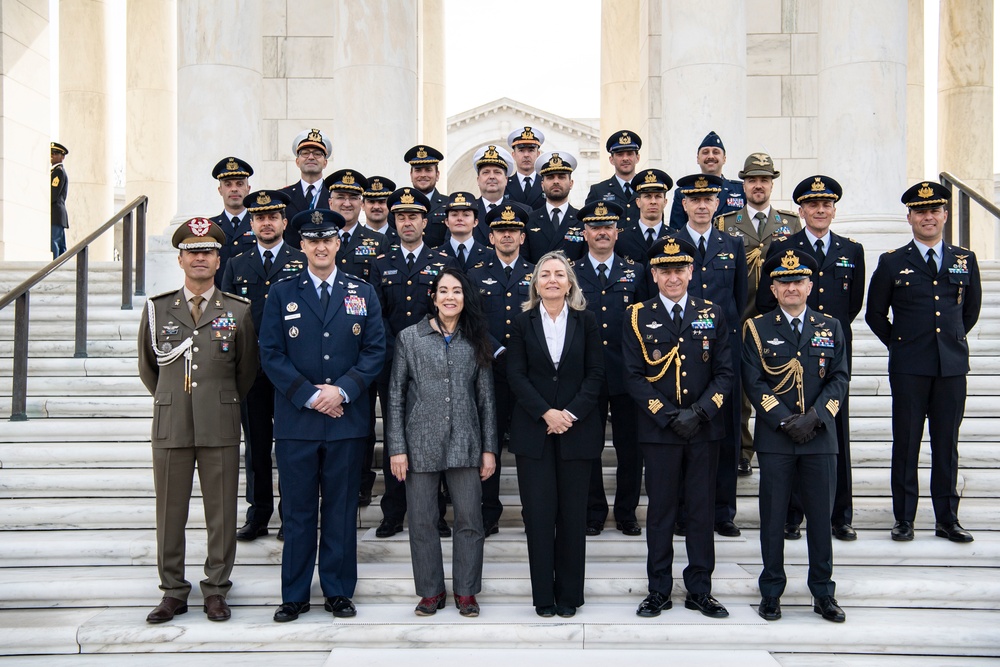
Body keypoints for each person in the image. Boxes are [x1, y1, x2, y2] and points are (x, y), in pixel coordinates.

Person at [259, 208, 386, 623]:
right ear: (302, 245)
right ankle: (293, 594)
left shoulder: (362, 291)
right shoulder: (281, 292)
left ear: (338, 243)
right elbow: (271, 354)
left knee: (341, 509)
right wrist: (311, 395)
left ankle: (337, 591)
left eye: (327, 240)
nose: (320, 246)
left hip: (346, 422)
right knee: (296, 512)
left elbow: (374, 351)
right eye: (312, 240)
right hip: (298, 422)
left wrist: (343, 390)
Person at [137, 218, 258, 624]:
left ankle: (216, 590)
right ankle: (172, 591)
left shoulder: (238, 311)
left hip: (219, 421)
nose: (200, 258)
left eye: (207, 251)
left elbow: (246, 370)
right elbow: (149, 369)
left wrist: (217, 399)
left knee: (221, 513)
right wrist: (173, 398)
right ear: (180, 259)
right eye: (192, 251)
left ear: (218, 259)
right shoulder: (157, 310)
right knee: (169, 512)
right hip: (172, 423)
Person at [623, 236, 733, 620]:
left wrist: (700, 413)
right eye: (665, 270)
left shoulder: (712, 312)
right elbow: (634, 376)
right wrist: (668, 414)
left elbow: (724, 372)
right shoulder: (637, 315)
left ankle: (700, 589)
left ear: (691, 271)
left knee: (702, 512)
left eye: (679, 269)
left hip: (704, 430)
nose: (673, 277)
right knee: (661, 512)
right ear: (654, 274)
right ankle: (659, 590)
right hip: (660, 431)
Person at [865, 181, 981, 544]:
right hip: (909, 367)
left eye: (934, 211)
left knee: (946, 445)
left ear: (945, 214)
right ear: (909, 218)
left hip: (950, 368)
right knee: (907, 443)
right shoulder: (892, 261)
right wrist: (900, 345)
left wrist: (951, 339)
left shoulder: (965, 259)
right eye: (920, 212)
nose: (927, 217)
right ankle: (904, 519)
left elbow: (970, 309)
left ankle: (947, 518)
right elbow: (875, 314)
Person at [743, 249, 849, 623]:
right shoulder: (757, 328)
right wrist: (785, 420)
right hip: (777, 438)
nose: (791, 287)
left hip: (820, 439)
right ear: (772, 288)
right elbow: (753, 381)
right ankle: (771, 591)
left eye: (798, 281)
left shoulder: (830, 326)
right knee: (773, 519)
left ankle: (823, 593)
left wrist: (817, 418)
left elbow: (840, 378)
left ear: (810, 284)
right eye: (783, 282)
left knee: (821, 519)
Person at [757, 176, 865, 541]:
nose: (820, 210)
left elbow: (851, 307)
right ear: (801, 211)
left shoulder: (852, 250)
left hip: (828, 356)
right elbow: (764, 300)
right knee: (790, 434)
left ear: (834, 209)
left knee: (834, 434)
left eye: (827, 204)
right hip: (786, 358)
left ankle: (840, 513)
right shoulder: (783, 247)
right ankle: (792, 513)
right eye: (812, 205)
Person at [386, 267, 498, 618]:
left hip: (466, 442)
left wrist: (489, 448)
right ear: (432, 297)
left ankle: (466, 591)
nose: (450, 297)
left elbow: (486, 399)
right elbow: (395, 396)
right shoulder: (410, 337)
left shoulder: (476, 338)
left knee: (469, 519)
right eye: (444, 291)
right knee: (421, 520)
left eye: (457, 291)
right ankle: (431, 591)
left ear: (466, 299)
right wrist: (397, 447)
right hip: (419, 443)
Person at [506, 251, 605, 618]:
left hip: (577, 432)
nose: (551, 279)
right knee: (539, 515)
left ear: (569, 283)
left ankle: (569, 597)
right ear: (535, 282)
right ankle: (543, 597)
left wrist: (570, 413)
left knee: (572, 518)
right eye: (544, 274)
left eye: (559, 274)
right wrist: (546, 412)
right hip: (535, 433)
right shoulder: (522, 322)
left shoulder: (586, 321)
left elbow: (596, 373)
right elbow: (516, 374)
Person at [370, 188, 459, 538]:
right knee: (395, 436)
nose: (407, 222)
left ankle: (435, 512)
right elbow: (376, 316)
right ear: (395, 222)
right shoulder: (380, 263)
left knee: (433, 436)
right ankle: (393, 511)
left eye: (414, 217)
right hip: (391, 363)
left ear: (426, 221)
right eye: (401, 217)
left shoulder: (443, 262)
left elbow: (450, 313)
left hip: (434, 365)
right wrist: (397, 352)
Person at [222, 189, 304, 542]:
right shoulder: (236, 264)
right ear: (251, 223)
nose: (266, 223)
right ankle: (258, 514)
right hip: (250, 370)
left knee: (289, 445)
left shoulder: (301, 261)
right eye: (259, 217)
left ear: (284, 222)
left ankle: (291, 515)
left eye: (273, 217)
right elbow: (224, 319)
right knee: (255, 446)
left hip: (290, 372)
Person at [716, 152, 801, 477]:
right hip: (740, 317)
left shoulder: (789, 223)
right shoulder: (725, 222)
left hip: (776, 320)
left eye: (764, 180)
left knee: (777, 386)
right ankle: (742, 450)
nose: (758, 186)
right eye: (752, 180)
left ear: (771, 184)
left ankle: (776, 447)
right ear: (744, 184)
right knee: (738, 391)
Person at [676, 173, 748, 537]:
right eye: (695, 199)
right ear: (685, 204)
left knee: (725, 433)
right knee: (682, 435)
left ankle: (723, 510)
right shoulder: (669, 244)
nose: (702, 205)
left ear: (718, 204)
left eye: (708, 199)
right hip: (681, 357)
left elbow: (739, 301)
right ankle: (683, 511)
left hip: (722, 356)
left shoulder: (732, 245)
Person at [573, 201, 648, 537]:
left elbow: (648, 321)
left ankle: (627, 511)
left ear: (617, 232)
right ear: (584, 232)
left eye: (608, 226)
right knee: (587, 448)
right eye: (594, 226)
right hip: (586, 374)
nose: (601, 232)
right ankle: (592, 510)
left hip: (627, 374)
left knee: (630, 449)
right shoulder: (570, 272)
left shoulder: (637, 271)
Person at [468, 204, 535, 535]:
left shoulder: (537, 273)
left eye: (513, 230)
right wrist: (499, 350)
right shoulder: (476, 274)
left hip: (526, 374)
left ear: (522, 237)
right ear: (491, 236)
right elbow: (472, 321)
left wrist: (520, 354)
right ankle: (489, 511)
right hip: (489, 370)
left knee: (526, 442)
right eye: (500, 230)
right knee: (489, 440)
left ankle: (532, 509)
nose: (506, 235)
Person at [323, 169, 389, 285]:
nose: (347, 203)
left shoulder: (380, 241)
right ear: (330, 203)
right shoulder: (319, 239)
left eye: (353, 198)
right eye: (341, 197)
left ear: (360, 203)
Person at [668, 131, 745, 229]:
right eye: (705, 152)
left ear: (724, 159)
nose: (711, 156)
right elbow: (677, 231)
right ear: (698, 159)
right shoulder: (682, 193)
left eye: (716, 152)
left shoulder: (740, 190)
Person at [523, 152, 585, 264]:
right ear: (542, 184)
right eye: (550, 177)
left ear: (571, 183)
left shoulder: (582, 220)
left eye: (561, 177)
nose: (556, 181)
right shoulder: (529, 221)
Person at [279, 128, 333, 248]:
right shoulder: (283, 197)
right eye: (305, 153)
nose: (311, 157)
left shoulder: (335, 196)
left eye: (317, 154)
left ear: (325, 162)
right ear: (297, 161)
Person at [615, 168, 674, 271]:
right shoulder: (621, 239)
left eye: (658, 196)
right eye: (647, 196)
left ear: (665, 202)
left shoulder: (675, 238)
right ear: (638, 202)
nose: (653, 201)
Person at [209, 157, 255, 288]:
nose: (234, 189)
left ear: (248, 188)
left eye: (239, 184)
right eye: (228, 184)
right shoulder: (211, 227)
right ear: (220, 190)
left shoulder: (261, 225)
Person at [586, 130, 642, 227]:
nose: (625, 158)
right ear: (611, 160)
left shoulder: (646, 189)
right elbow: (589, 225)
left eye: (629, 154)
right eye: (620, 154)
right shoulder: (598, 190)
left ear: (637, 158)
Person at [434, 191, 494, 272]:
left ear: (475, 222)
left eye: (466, 215)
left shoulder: (490, 256)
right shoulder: (435, 255)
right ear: (447, 222)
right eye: (454, 215)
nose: (460, 219)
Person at [404, 145, 449, 247]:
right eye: (418, 170)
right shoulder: (397, 206)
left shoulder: (449, 205)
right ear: (411, 175)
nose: (423, 175)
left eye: (428, 170)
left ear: (437, 175)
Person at [472, 144, 515, 245]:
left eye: (497, 172)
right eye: (486, 172)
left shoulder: (521, 211)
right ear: (478, 180)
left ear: (506, 180)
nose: (491, 176)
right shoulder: (467, 212)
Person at [505, 126, 545, 210]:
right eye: (521, 150)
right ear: (513, 155)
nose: (526, 155)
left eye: (531, 150)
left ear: (538, 154)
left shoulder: (547, 183)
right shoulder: (504, 184)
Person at [361, 175, 398, 241]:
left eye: (382, 202)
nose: (376, 207)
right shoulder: (353, 239)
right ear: (362, 205)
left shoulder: (401, 240)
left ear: (390, 205)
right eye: (371, 202)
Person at [50, 142, 69, 258]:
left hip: (55, 213)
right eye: (51, 153)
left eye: (55, 153)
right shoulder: (55, 171)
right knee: (61, 246)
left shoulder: (58, 171)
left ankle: (53, 269)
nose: (52, 155)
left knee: (54, 243)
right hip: (58, 214)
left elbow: (53, 193)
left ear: (62, 157)